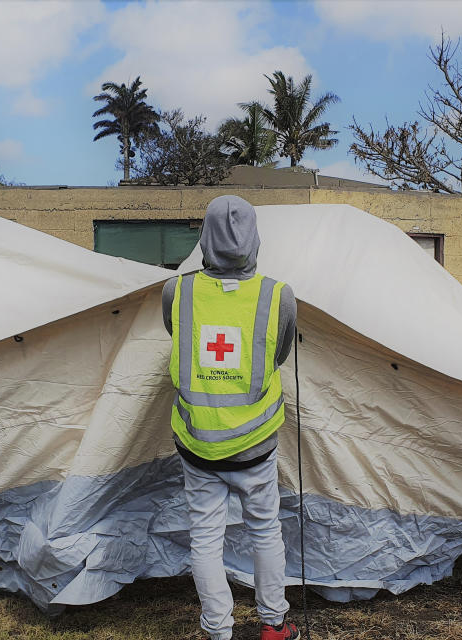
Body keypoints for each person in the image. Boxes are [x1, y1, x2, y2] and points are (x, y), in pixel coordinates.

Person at [162, 195, 300, 640]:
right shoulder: (279, 295)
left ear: (205, 237)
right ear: (254, 239)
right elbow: (277, 356)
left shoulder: (176, 290)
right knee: (265, 532)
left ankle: (217, 632)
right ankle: (274, 626)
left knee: (204, 538)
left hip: (197, 443)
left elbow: (176, 336)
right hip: (256, 444)